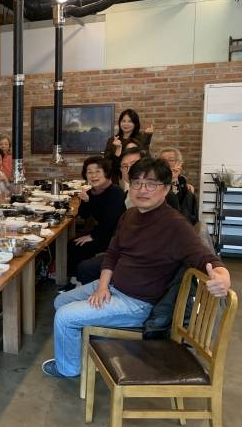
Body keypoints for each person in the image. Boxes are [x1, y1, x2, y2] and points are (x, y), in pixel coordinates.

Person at [42, 157, 231, 379]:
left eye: (151, 184)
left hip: (137, 303)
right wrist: (102, 287)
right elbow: (113, 254)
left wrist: (223, 277)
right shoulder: (130, 215)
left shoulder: (175, 225)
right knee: (60, 301)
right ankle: (89, 344)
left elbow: (207, 258)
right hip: (113, 287)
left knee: (64, 316)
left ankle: (68, 369)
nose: (142, 190)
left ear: (165, 189)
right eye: (137, 183)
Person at [62, 156, 126, 290]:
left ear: (106, 173)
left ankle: (80, 282)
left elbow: (111, 220)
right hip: (102, 231)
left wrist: (93, 236)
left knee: (81, 246)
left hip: (115, 235)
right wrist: (85, 201)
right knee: (73, 244)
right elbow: (84, 215)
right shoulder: (91, 192)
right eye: (89, 172)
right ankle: (74, 279)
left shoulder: (115, 192)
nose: (93, 175)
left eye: (97, 171)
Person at [103, 109, 154, 183]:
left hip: (138, 179)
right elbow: (107, 166)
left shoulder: (141, 138)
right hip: (117, 180)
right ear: (120, 122)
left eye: (130, 121)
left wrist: (148, 136)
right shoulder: (112, 140)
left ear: (135, 123)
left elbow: (146, 161)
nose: (126, 124)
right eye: (123, 121)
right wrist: (117, 150)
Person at [160, 147, 198, 225]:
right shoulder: (155, 179)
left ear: (179, 163)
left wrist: (174, 179)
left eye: (171, 160)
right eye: (163, 160)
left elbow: (179, 203)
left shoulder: (182, 180)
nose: (166, 163)